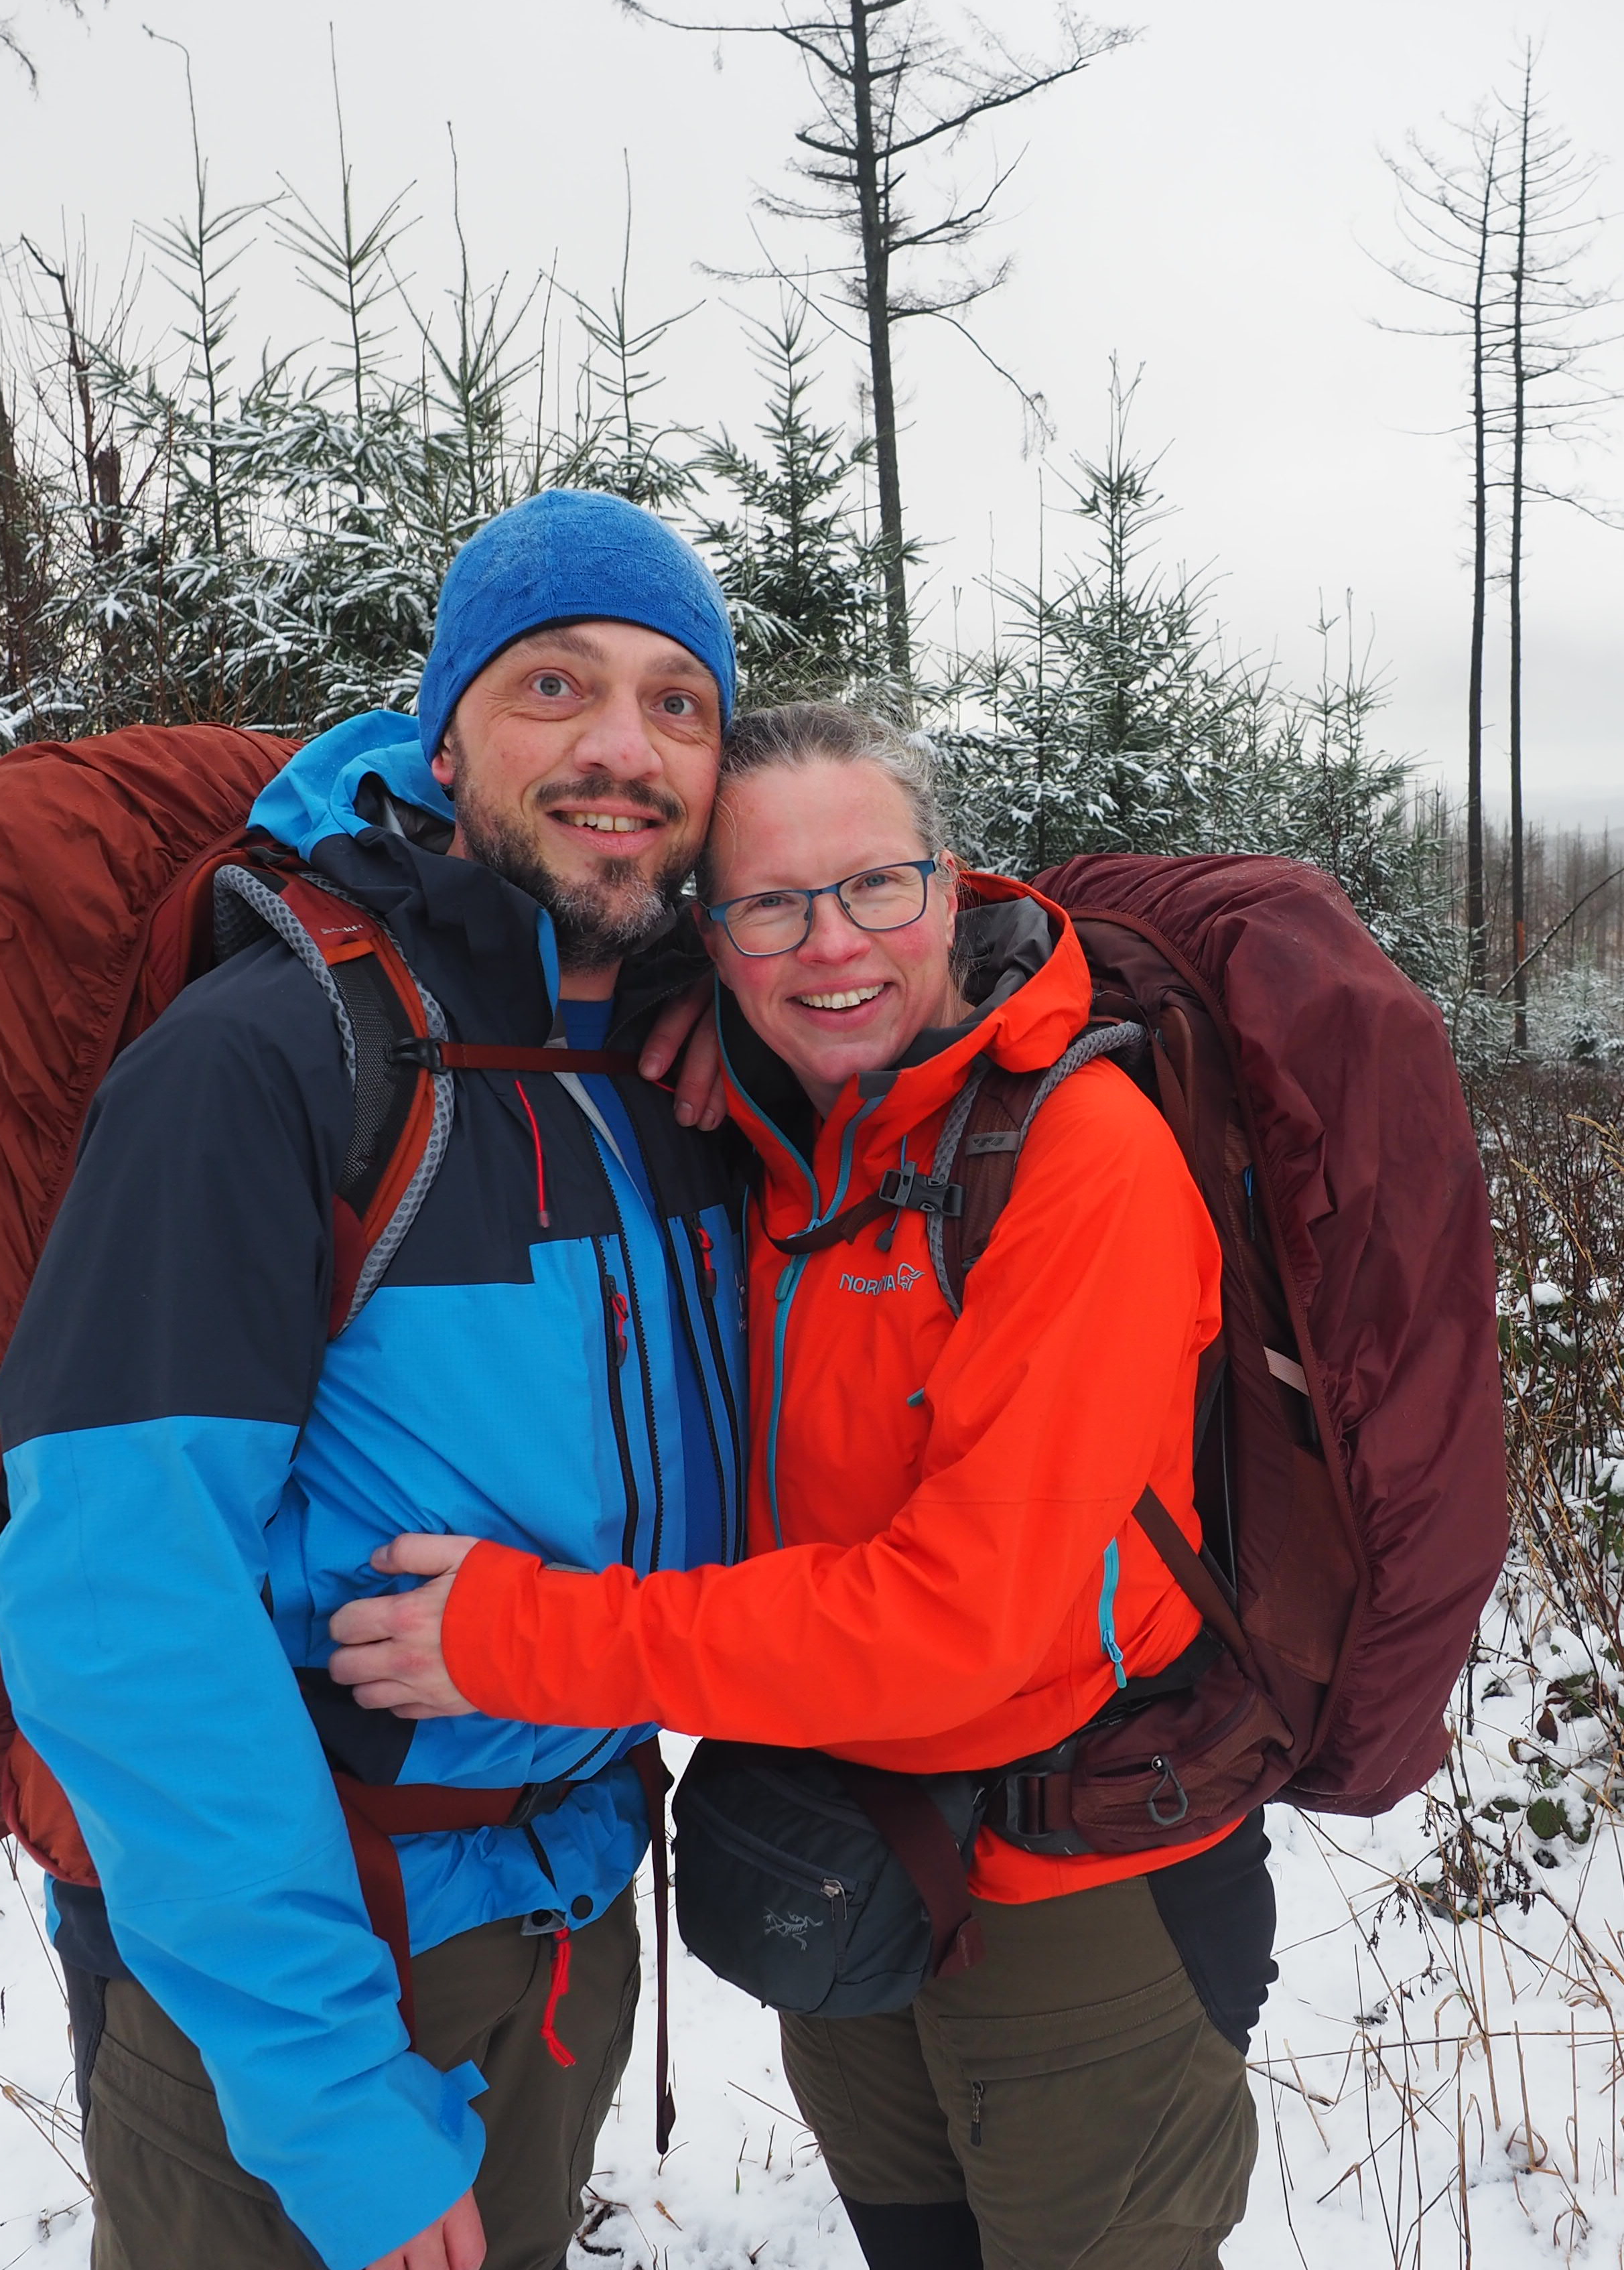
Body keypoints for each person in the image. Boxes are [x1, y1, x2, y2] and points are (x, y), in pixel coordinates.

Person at [329, 702, 1279, 2270]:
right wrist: (716, 1013)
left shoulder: (1079, 1161)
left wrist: (518, 1638)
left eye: (877, 886)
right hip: (852, 1865)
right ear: (708, 936)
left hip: (1081, 1897)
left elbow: (957, 1626)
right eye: (769, 904)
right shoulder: (783, 1135)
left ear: (952, 888)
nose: (832, 944)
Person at [0, 490, 748, 2270]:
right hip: (311, 1967)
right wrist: (328, 2089)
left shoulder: (672, 1074)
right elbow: (119, 1596)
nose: (623, 747)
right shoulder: (271, 1061)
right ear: (444, 736)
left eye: (678, 703)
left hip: (564, 1929)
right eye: (555, 684)